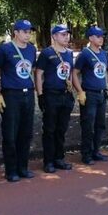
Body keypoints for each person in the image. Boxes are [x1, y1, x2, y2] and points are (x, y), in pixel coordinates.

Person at [0, 19, 37, 182]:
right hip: (11, 94)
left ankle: (23, 167)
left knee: (26, 132)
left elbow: (31, 69)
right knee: (10, 133)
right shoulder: (5, 49)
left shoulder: (32, 49)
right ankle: (11, 170)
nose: (28, 34)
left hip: (28, 94)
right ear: (16, 32)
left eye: (29, 32)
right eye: (25, 31)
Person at [35, 24, 75, 173]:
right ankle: (48, 161)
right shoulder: (47, 53)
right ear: (55, 36)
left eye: (67, 34)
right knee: (50, 129)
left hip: (65, 95)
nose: (67, 37)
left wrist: (71, 90)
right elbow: (39, 74)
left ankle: (59, 158)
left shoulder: (70, 53)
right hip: (51, 94)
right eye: (63, 34)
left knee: (61, 129)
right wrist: (40, 94)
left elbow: (70, 72)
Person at [72, 26, 108, 165]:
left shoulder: (104, 53)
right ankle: (86, 154)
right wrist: (80, 91)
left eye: (102, 36)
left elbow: (105, 72)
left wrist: (107, 87)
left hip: (101, 94)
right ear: (91, 38)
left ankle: (96, 151)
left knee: (100, 125)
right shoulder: (85, 54)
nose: (101, 38)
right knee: (88, 125)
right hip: (90, 94)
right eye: (98, 36)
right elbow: (74, 73)